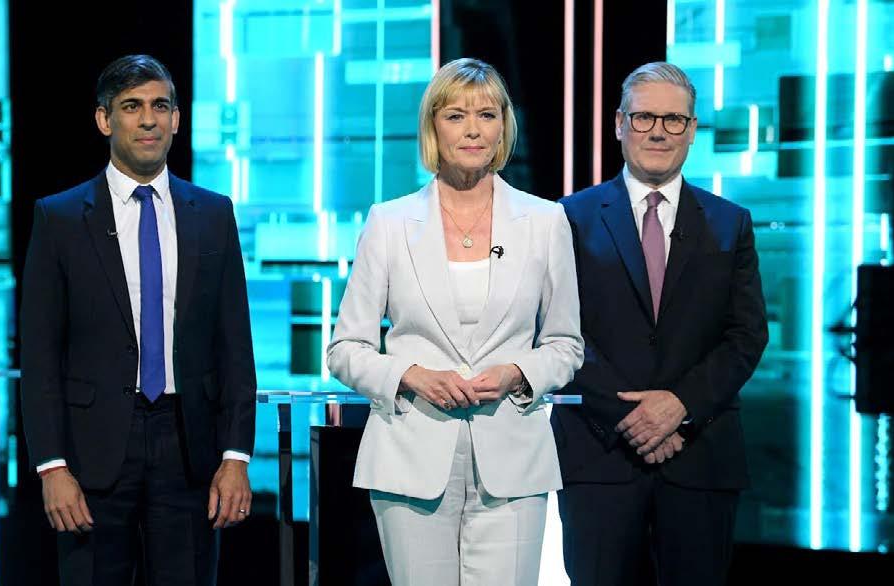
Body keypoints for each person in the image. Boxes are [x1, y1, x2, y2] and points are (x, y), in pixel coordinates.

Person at [327, 57, 584, 586]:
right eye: (456, 115)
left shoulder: (545, 221)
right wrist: (410, 375)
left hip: (513, 461)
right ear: (433, 127)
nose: (472, 130)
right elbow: (345, 349)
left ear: (503, 128)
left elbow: (565, 344)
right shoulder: (389, 223)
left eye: (486, 115)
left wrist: (518, 372)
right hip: (409, 455)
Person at [20, 54, 256, 586]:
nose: (148, 119)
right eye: (131, 107)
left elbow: (235, 347)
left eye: (160, 106)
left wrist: (236, 455)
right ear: (104, 120)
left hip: (189, 448)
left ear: (177, 119)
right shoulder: (59, 218)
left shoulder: (213, 214)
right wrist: (51, 466)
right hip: (92, 452)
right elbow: (39, 357)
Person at [552, 61, 769, 586]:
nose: (658, 131)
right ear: (619, 123)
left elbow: (746, 334)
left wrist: (680, 406)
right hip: (598, 457)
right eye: (644, 117)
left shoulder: (730, 222)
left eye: (674, 120)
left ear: (692, 131)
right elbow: (558, 330)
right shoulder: (567, 218)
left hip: (701, 457)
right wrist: (635, 417)